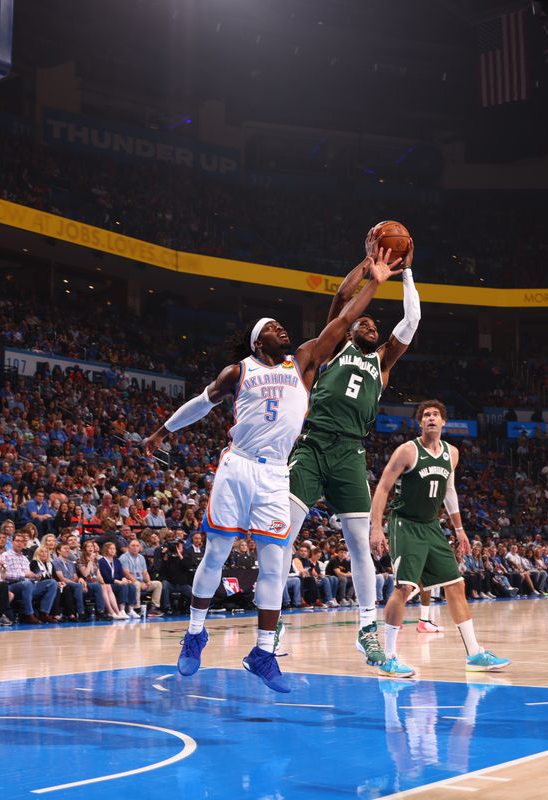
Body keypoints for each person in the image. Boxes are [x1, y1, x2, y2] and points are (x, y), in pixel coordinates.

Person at [145, 251, 400, 693]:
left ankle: (262, 651)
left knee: (273, 562)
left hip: (275, 473)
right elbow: (201, 404)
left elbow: (341, 320)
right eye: (274, 328)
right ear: (258, 340)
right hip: (238, 465)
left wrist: (372, 280)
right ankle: (194, 634)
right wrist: (160, 433)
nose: (284, 329)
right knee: (216, 553)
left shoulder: (302, 362)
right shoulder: (237, 371)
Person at [286, 234, 421, 667]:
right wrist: (368, 268)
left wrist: (408, 276)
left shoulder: (381, 363)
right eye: (365, 322)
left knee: (360, 546)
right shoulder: (338, 342)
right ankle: (269, 630)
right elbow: (344, 299)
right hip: (312, 443)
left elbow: (411, 322)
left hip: (349, 453)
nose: (370, 325)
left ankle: (367, 629)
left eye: (374, 326)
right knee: (282, 537)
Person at [369, 400, 510, 677]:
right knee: (404, 588)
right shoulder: (407, 451)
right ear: (420, 422)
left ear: (444, 422)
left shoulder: (452, 453)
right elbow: (383, 488)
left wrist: (459, 529)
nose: (431, 418)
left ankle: (474, 654)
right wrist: (376, 527)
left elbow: (449, 491)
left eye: (435, 414)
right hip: (406, 524)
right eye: (425, 415)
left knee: (456, 585)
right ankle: (388, 657)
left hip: (432, 526)